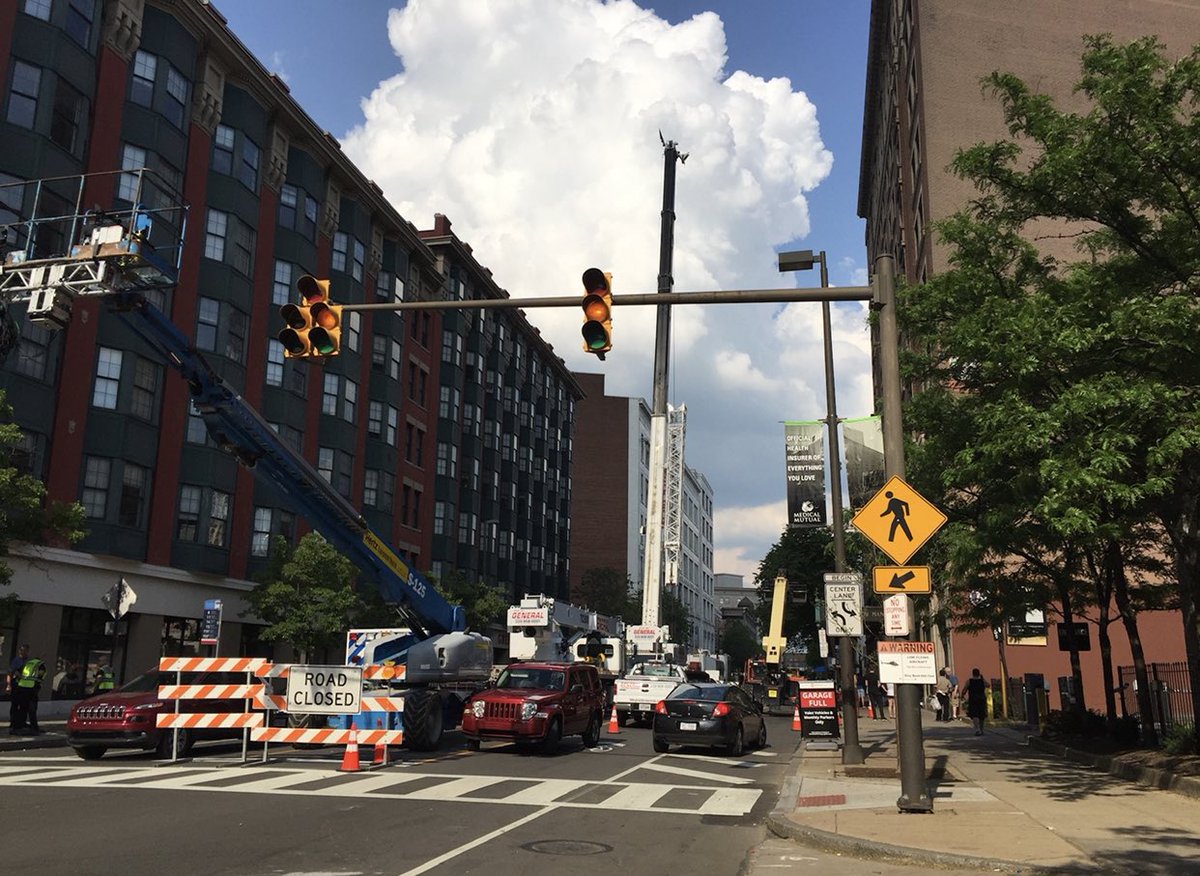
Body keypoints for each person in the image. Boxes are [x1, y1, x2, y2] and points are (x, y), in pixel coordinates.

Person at [10, 644, 47, 734]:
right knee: (31, 709)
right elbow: (41, 677)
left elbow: (19, 672)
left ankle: (18, 726)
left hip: (22, 687)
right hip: (31, 689)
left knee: (22, 708)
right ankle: (33, 727)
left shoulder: (28, 663)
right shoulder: (40, 665)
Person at [964, 668, 988, 735]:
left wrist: (962, 695)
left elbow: (964, 689)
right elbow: (988, 685)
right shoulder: (982, 681)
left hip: (973, 699)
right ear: (979, 673)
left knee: (975, 714)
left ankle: (977, 729)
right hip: (981, 699)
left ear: (972, 673)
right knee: (981, 715)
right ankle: (982, 729)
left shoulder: (969, 681)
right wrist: (983, 678)